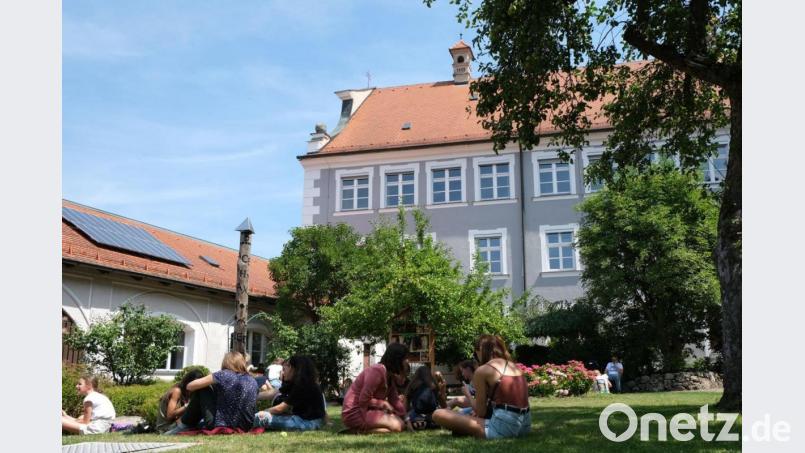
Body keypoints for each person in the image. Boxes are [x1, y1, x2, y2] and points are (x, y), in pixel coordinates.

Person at [432, 335, 531, 439]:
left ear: (480, 350)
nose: (476, 356)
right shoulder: (513, 366)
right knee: (464, 414)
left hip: (503, 428)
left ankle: (463, 429)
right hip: (524, 426)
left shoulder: (483, 370)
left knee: (438, 414)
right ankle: (464, 428)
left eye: (476, 352)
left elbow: (481, 412)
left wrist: (468, 395)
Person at [180, 351, 258, 432]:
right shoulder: (252, 380)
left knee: (203, 389)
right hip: (246, 426)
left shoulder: (224, 374)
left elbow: (190, 386)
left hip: (222, 425)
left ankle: (185, 424)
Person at [341, 342, 409, 434]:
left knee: (400, 425)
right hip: (356, 412)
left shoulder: (390, 376)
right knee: (397, 426)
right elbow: (363, 399)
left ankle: (359, 431)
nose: (407, 361)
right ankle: (358, 429)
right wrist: (382, 403)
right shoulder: (377, 371)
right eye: (405, 358)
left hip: (368, 410)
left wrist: (406, 419)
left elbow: (395, 401)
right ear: (397, 359)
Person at [253, 355, 327, 431]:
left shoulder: (302, 386)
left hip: (307, 423)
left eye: (284, 369)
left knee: (262, 417)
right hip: (309, 421)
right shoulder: (301, 382)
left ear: (292, 368)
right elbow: (274, 392)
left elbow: (280, 409)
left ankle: (243, 423)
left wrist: (263, 412)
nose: (282, 372)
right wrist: (253, 396)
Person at [156, 369, 206, 433]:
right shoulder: (177, 391)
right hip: (166, 428)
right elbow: (170, 415)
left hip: (177, 425)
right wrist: (187, 406)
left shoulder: (189, 394)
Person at [405, 366, 446, 430]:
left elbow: (406, 407)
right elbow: (444, 405)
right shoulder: (434, 386)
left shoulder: (412, 386)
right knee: (438, 415)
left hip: (416, 416)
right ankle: (431, 423)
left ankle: (420, 423)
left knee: (412, 415)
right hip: (432, 415)